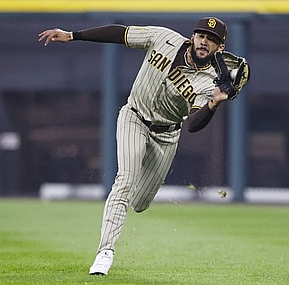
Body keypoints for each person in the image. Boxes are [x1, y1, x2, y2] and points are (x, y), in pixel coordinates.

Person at [39, 17, 237, 276]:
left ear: (220, 48)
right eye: (201, 35)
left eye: (212, 39)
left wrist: (213, 103)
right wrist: (73, 35)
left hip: (166, 135)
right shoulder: (163, 38)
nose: (204, 41)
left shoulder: (210, 82)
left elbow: (193, 125)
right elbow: (119, 33)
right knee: (125, 180)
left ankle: (124, 209)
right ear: (192, 36)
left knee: (140, 203)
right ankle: (104, 252)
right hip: (134, 117)